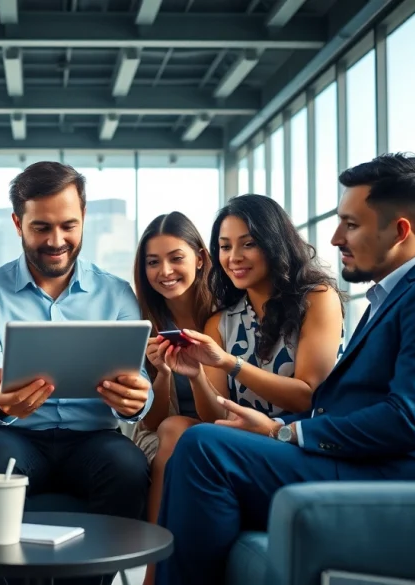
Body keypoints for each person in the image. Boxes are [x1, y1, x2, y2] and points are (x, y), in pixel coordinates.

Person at [152, 154, 415, 585]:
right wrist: (270, 426)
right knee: (207, 443)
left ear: (400, 230)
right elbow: (346, 404)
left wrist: (284, 432)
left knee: (204, 448)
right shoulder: (390, 297)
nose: (335, 238)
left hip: (392, 478)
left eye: (350, 224)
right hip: (356, 462)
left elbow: (407, 418)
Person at [0, 161, 153, 585]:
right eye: (41, 227)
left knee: (128, 465)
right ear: (17, 223)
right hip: (15, 435)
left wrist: (140, 399)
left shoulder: (116, 293)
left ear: (84, 218)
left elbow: (139, 381)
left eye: (68, 225)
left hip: (93, 439)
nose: (56, 240)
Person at [139, 198, 344, 585]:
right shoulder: (222, 320)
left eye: (247, 243)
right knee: (187, 431)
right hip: (244, 435)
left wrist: (230, 364)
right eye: (225, 245)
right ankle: (160, 572)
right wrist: (197, 373)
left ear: (273, 242)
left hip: (297, 438)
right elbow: (214, 416)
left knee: (192, 440)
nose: (234, 256)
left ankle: (158, 577)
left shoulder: (317, 299)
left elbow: (308, 395)